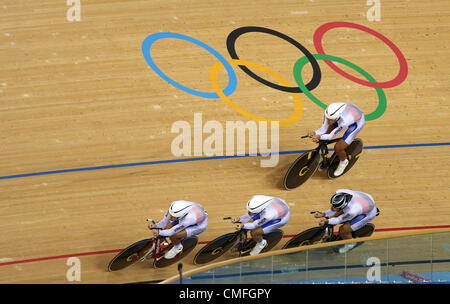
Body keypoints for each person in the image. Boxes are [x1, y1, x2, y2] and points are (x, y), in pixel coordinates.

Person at [307, 102, 365, 176]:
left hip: (356, 123)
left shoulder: (344, 121)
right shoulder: (329, 112)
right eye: (328, 119)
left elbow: (331, 135)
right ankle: (324, 156)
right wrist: (314, 132)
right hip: (346, 114)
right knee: (328, 128)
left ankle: (344, 162)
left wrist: (319, 136)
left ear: (337, 116)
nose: (328, 121)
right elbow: (324, 128)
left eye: (331, 119)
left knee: (338, 147)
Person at [314, 189, 378, 253]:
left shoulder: (352, 210)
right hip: (365, 200)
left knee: (343, 229)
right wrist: (324, 214)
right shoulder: (339, 192)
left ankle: (351, 244)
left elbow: (339, 219)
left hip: (368, 213)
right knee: (336, 213)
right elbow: (334, 208)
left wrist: (326, 221)